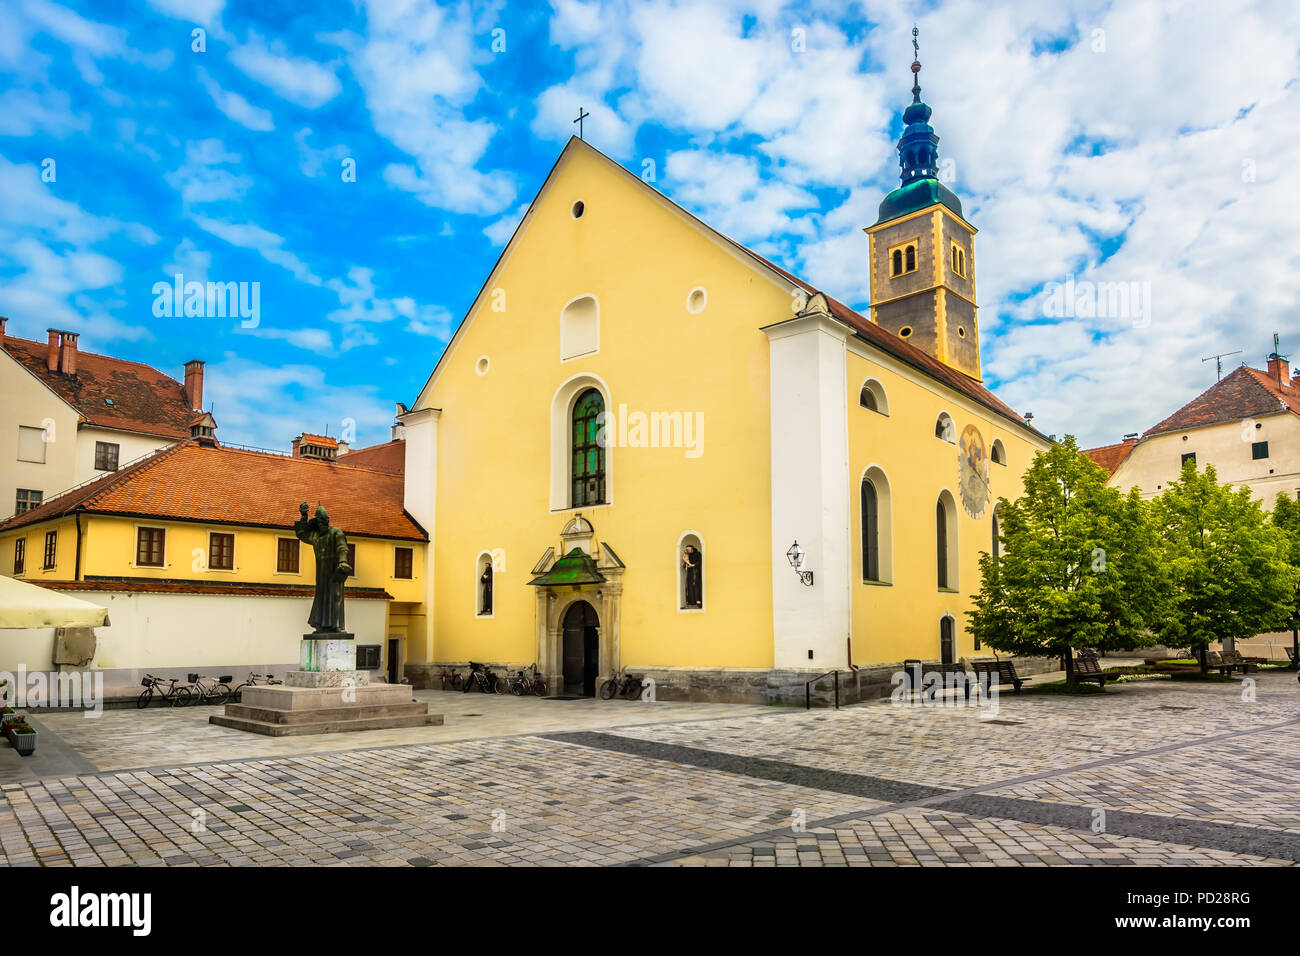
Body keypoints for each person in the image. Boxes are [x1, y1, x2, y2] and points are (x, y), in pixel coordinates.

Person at [294, 502, 353, 632]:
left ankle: (337, 625)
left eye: (325, 520)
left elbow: (342, 548)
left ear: (328, 521)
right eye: (320, 521)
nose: (323, 523)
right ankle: (321, 625)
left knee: (336, 596)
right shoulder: (315, 536)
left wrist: (343, 561)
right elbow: (302, 534)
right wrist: (304, 516)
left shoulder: (336, 532)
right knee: (321, 598)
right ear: (316, 522)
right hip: (321, 573)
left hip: (334, 571)